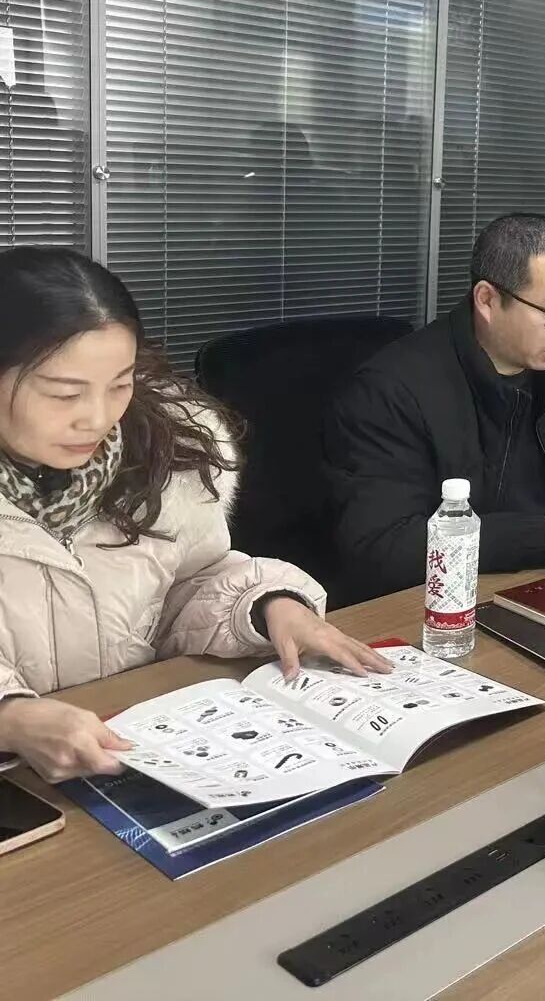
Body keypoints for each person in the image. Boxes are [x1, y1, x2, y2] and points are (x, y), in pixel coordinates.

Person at [0, 248, 385, 783]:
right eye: (64, 394)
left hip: (127, 753)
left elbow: (186, 583)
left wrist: (267, 604)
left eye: (120, 385)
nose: (98, 419)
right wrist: (11, 718)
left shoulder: (161, 458)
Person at [325, 214, 545, 604]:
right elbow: (382, 547)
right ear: (487, 300)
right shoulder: (389, 392)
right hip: (435, 604)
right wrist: (538, 539)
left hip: (542, 585)